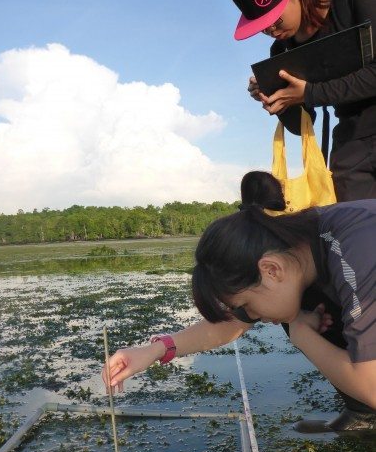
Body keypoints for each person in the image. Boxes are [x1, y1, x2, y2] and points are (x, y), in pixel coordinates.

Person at [102, 173, 376, 432]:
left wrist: (301, 333)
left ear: (271, 270)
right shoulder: (299, 246)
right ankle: (363, 413)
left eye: (246, 304)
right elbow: (228, 325)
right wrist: (154, 351)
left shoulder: (354, 254)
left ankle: (365, 411)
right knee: (292, 307)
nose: (251, 316)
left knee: (292, 315)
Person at [231, 0, 376, 203]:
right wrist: (279, 102)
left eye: (276, 20)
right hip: (353, 138)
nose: (271, 29)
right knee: (351, 224)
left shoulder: (354, 3)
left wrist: (310, 93)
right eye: (263, 27)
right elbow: (302, 125)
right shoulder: (281, 51)